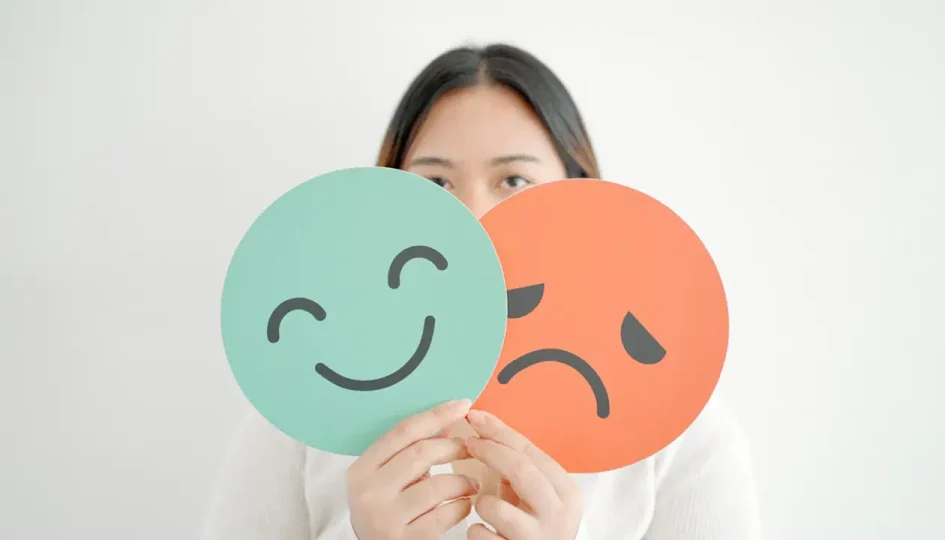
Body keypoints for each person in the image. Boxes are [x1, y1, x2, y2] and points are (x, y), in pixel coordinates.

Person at [201, 43, 762, 540]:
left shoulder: (673, 430)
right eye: (436, 182)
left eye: (513, 180)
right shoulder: (306, 408)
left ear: (582, 195)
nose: (472, 215)